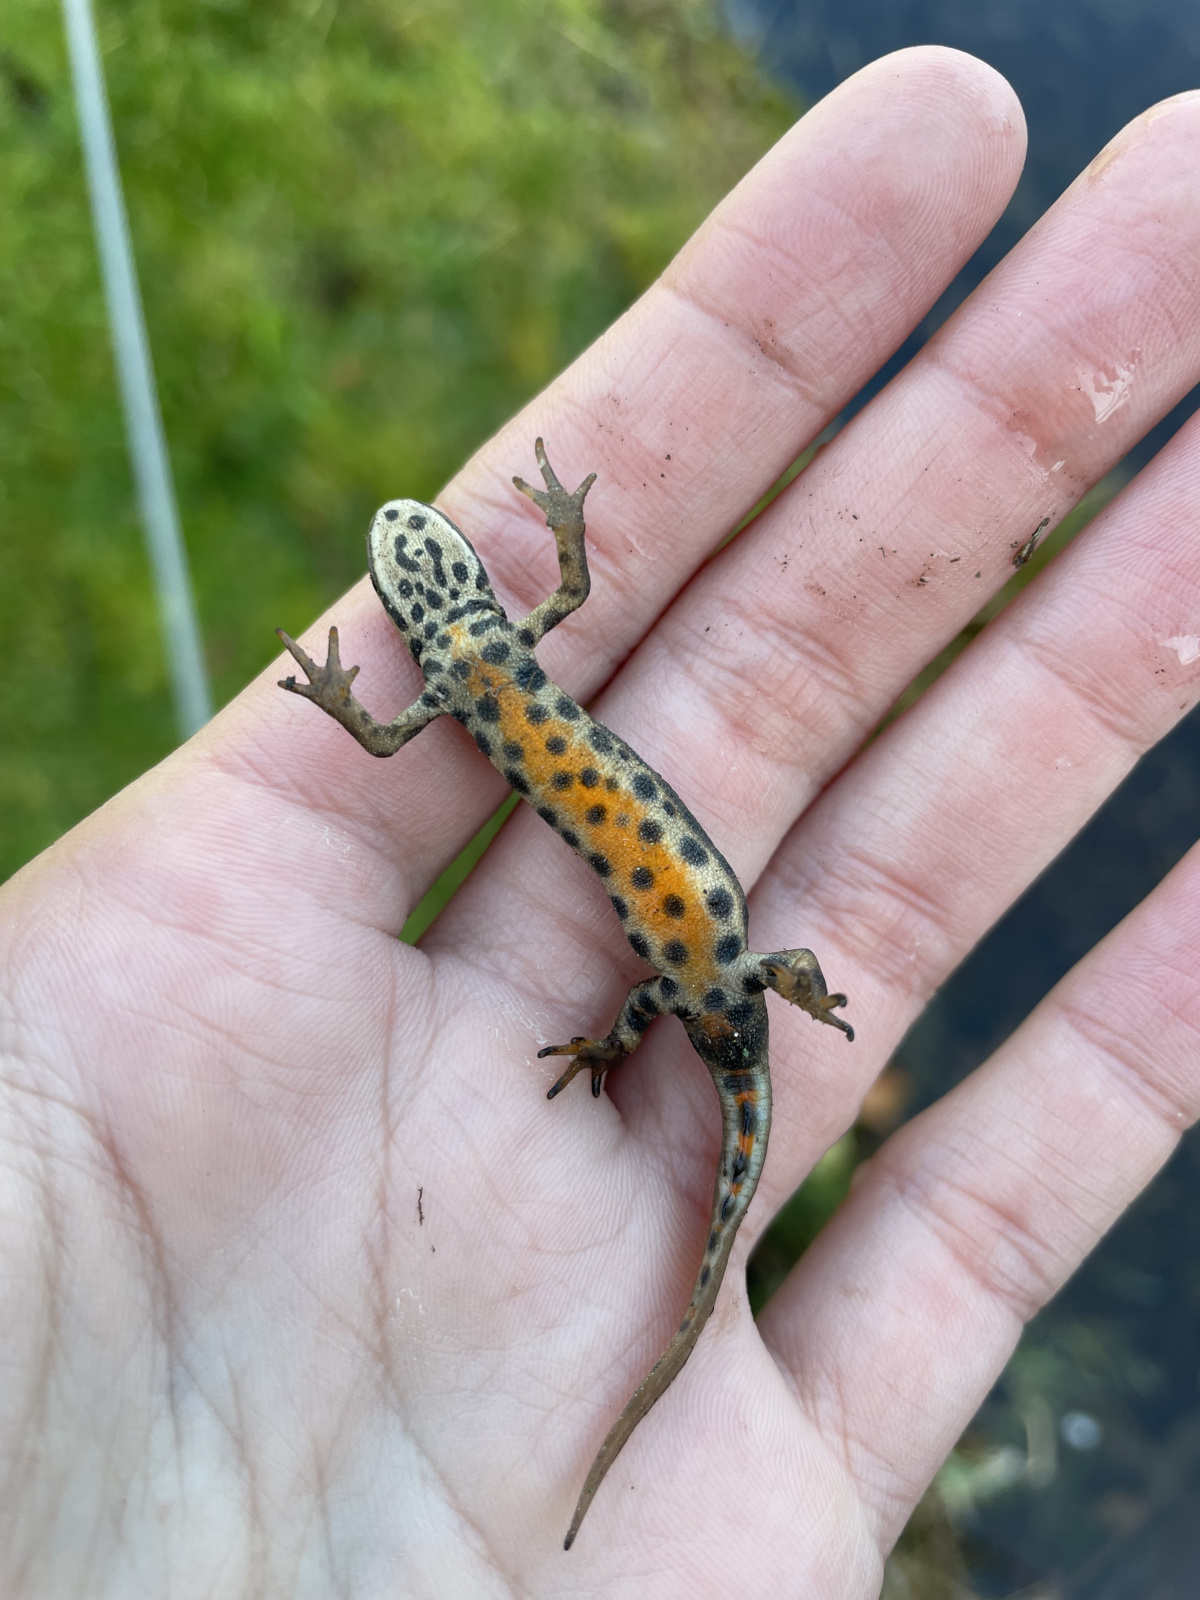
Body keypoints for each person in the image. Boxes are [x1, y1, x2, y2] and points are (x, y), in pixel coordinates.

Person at [3, 45, 1199, 1597]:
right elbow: (541, 608)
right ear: (462, 629)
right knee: (693, 1003)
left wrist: (361, 689)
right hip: (705, 949)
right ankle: (759, 1026)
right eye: (423, 574)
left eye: (430, 560)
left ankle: (759, 1028)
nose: (421, 557)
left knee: (694, 1018)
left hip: (706, 960)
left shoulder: (465, 688)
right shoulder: (497, 676)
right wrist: (544, 550)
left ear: (458, 619)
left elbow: (396, 722)